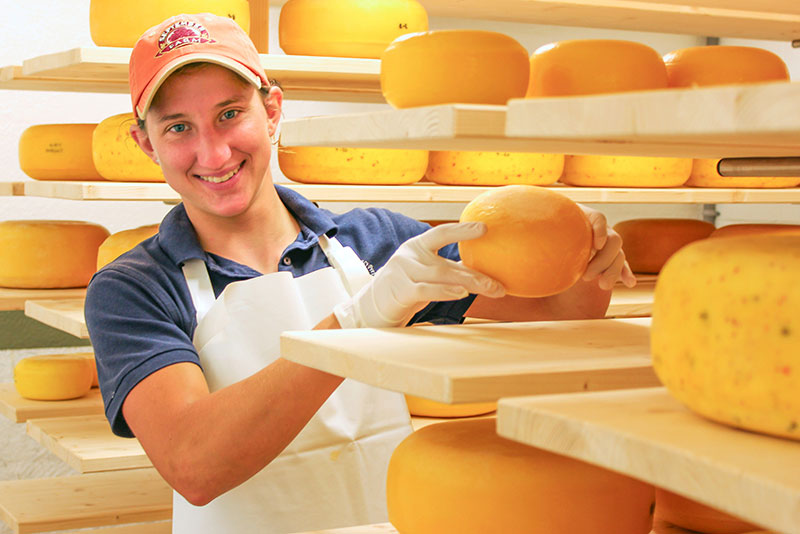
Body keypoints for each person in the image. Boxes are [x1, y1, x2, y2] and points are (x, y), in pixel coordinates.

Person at [84, 12, 636, 534]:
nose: (214, 151)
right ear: (146, 144)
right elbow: (195, 464)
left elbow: (555, 315)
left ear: (272, 111)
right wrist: (360, 318)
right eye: (178, 127)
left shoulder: (377, 241)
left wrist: (585, 259)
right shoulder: (133, 288)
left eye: (231, 113)